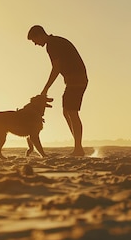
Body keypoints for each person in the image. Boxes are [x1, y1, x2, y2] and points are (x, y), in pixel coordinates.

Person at [28, 25, 88, 156]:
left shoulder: (52, 45)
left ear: (39, 35)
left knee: (72, 112)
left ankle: (78, 148)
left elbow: (56, 68)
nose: (35, 44)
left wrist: (45, 89)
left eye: (34, 40)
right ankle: (78, 145)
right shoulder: (55, 41)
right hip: (74, 79)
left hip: (76, 79)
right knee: (66, 112)